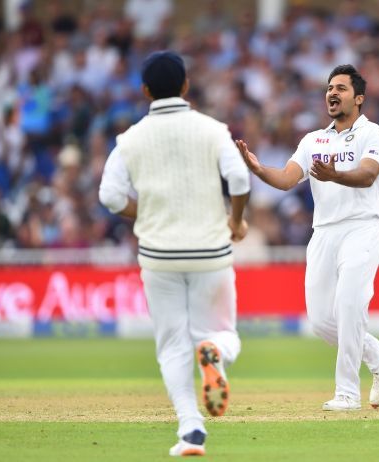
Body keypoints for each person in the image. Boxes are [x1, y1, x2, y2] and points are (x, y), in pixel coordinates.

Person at [99, 51, 250, 456]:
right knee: (222, 333)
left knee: (171, 346)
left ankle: (190, 430)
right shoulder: (212, 129)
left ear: (145, 91)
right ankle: (215, 353)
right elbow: (239, 178)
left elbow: (110, 196)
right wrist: (235, 221)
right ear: (185, 86)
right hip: (211, 251)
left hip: (159, 255)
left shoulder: (130, 139)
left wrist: (144, 210)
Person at [235, 64, 379, 411]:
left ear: (358, 98)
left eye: (340, 88)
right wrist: (257, 168)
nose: (332, 93)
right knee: (323, 322)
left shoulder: (374, 134)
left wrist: (334, 174)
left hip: (363, 227)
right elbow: (285, 179)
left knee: (349, 306)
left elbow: (369, 175)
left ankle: (347, 393)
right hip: (324, 232)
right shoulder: (314, 139)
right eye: (329, 88)